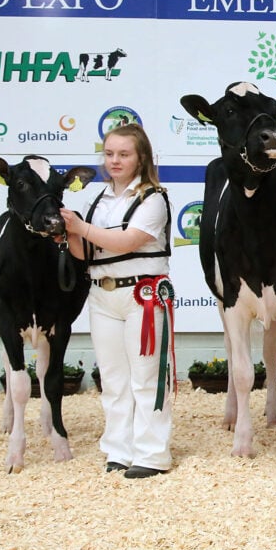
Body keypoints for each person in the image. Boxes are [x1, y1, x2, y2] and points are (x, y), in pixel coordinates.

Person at [60, 124, 174, 479]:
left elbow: (128, 241)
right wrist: (64, 235)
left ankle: (153, 453)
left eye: (124, 154)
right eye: (109, 154)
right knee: (112, 377)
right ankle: (118, 449)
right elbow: (86, 252)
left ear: (141, 157)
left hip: (143, 294)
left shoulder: (154, 197)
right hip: (102, 292)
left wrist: (79, 227)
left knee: (146, 375)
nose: (115, 161)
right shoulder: (98, 199)